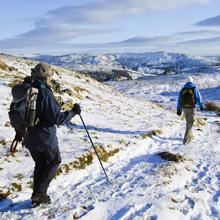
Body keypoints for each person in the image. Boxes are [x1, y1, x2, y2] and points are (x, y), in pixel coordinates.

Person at [17, 63, 81, 205]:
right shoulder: (44, 92)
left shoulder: (27, 88)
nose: (51, 78)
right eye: (50, 76)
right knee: (54, 161)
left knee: (40, 163)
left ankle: (37, 195)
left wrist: (19, 133)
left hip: (28, 135)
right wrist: (73, 112)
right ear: (47, 76)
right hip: (44, 137)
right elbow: (57, 118)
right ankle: (40, 194)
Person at [177, 77, 203, 145]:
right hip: (192, 108)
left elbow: (179, 100)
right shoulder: (194, 88)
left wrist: (178, 109)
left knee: (188, 123)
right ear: (192, 81)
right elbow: (199, 98)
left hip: (184, 108)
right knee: (190, 124)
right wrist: (201, 105)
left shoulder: (183, 89)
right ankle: (186, 141)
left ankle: (191, 136)